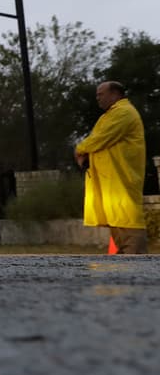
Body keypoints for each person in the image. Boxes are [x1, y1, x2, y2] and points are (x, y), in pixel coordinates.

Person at [75, 81, 147, 254]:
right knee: (120, 231)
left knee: (130, 230)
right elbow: (97, 139)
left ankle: (139, 268)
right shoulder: (109, 115)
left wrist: (79, 149)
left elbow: (100, 138)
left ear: (115, 94)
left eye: (101, 94)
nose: (97, 98)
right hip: (111, 185)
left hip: (122, 182)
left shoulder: (124, 112)